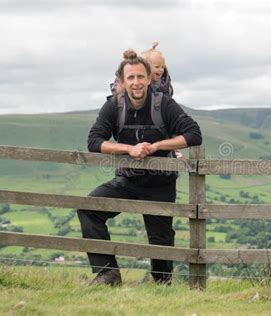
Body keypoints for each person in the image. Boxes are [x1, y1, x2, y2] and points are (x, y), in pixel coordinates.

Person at [77, 49, 202, 286]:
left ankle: (162, 285)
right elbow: (94, 141)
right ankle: (108, 274)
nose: (136, 83)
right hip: (127, 180)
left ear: (148, 78)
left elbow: (194, 134)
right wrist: (129, 149)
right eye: (131, 78)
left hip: (160, 184)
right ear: (122, 82)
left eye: (140, 77)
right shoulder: (114, 106)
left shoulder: (164, 104)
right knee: (89, 209)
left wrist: (157, 146)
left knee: (161, 240)